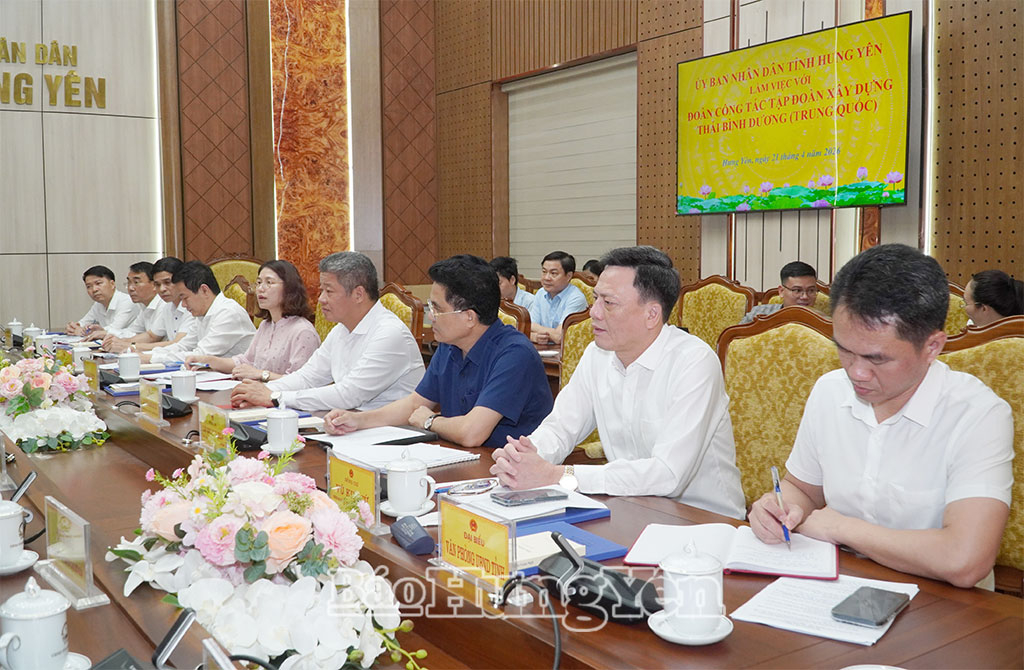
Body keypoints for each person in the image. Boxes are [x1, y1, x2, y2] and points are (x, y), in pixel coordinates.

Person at [748, 244, 1013, 588]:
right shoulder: (830, 390)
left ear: (932, 346)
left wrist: (842, 528)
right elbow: (803, 489)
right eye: (844, 350)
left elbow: (965, 559)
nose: (856, 372)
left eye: (877, 359)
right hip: (841, 582)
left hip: (942, 602)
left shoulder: (977, 414)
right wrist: (779, 507)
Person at [490, 246, 746, 519]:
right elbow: (560, 428)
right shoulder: (597, 354)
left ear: (652, 314)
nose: (594, 312)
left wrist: (559, 475)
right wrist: (523, 459)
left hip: (703, 519)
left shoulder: (693, 362)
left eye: (608, 303)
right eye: (595, 299)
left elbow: (668, 474)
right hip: (629, 507)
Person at [324, 255, 553, 448]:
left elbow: (471, 433)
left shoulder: (515, 354)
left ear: (469, 317)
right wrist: (358, 420)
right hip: (460, 457)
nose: (430, 316)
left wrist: (430, 421)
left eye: (437, 308)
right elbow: (415, 404)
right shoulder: (450, 345)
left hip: (512, 469)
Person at [230, 252, 424, 411]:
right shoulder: (341, 329)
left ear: (358, 294)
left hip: (392, 433)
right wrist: (258, 391)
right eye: (321, 290)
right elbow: (308, 377)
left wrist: (275, 397)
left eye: (329, 291)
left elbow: (348, 394)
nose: (321, 299)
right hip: (349, 422)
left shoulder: (389, 333)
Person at [185, 260, 320, 380]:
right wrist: (207, 361)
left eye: (269, 282)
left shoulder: (303, 331)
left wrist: (261, 374)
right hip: (256, 394)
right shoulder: (266, 325)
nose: (260, 289)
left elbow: (302, 381)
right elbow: (245, 361)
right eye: (259, 282)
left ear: (289, 288)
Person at [147, 261, 256, 364]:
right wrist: (147, 355)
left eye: (185, 298)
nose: (183, 305)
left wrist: (152, 359)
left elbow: (201, 355)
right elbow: (183, 346)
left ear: (204, 290)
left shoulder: (229, 313)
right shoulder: (202, 313)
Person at [527, 251, 589, 344]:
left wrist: (537, 330)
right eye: (544, 272)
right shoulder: (541, 293)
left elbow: (560, 337)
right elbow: (529, 326)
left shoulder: (576, 298)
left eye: (553, 273)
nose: (546, 278)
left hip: (566, 351)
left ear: (568, 276)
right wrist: (534, 337)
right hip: (542, 348)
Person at [98, 262, 162, 347]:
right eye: (129, 283)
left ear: (154, 285)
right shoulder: (144, 306)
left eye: (136, 282)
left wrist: (123, 342)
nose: (130, 288)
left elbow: (152, 337)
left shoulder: (163, 304)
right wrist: (107, 334)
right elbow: (133, 331)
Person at [65, 265, 140, 337]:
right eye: (89, 286)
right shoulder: (98, 304)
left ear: (112, 284)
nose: (94, 289)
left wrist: (83, 332)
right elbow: (83, 323)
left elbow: (113, 330)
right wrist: (73, 327)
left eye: (98, 283)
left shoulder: (127, 302)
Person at [741, 261, 819, 324]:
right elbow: (736, 337)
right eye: (797, 290)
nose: (805, 297)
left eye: (811, 290)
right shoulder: (758, 313)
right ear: (781, 291)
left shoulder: (821, 321)